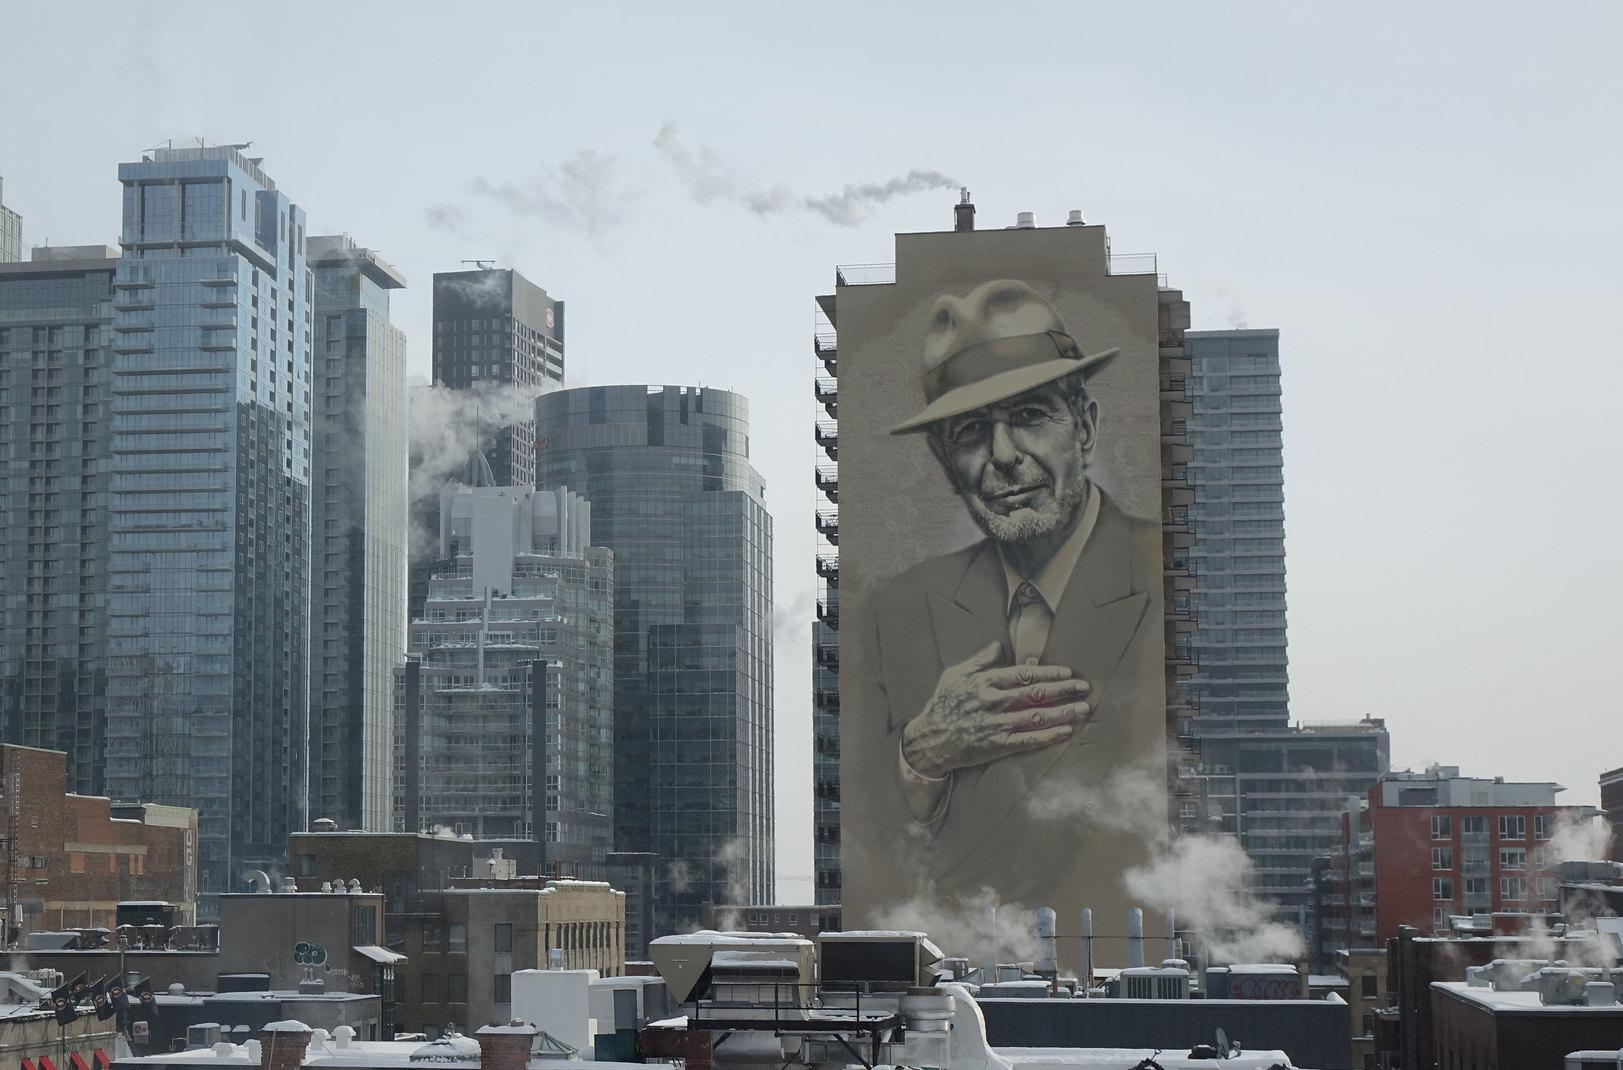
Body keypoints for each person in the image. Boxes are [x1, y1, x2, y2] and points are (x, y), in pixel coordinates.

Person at [845, 278, 1164, 900]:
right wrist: (921, 754)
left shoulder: (1162, 573)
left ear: (1086, 428)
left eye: (1029, 417)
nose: (1003, 455)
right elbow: (862, 835)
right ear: (945, 462)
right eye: (969, 433)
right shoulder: (897, 608)